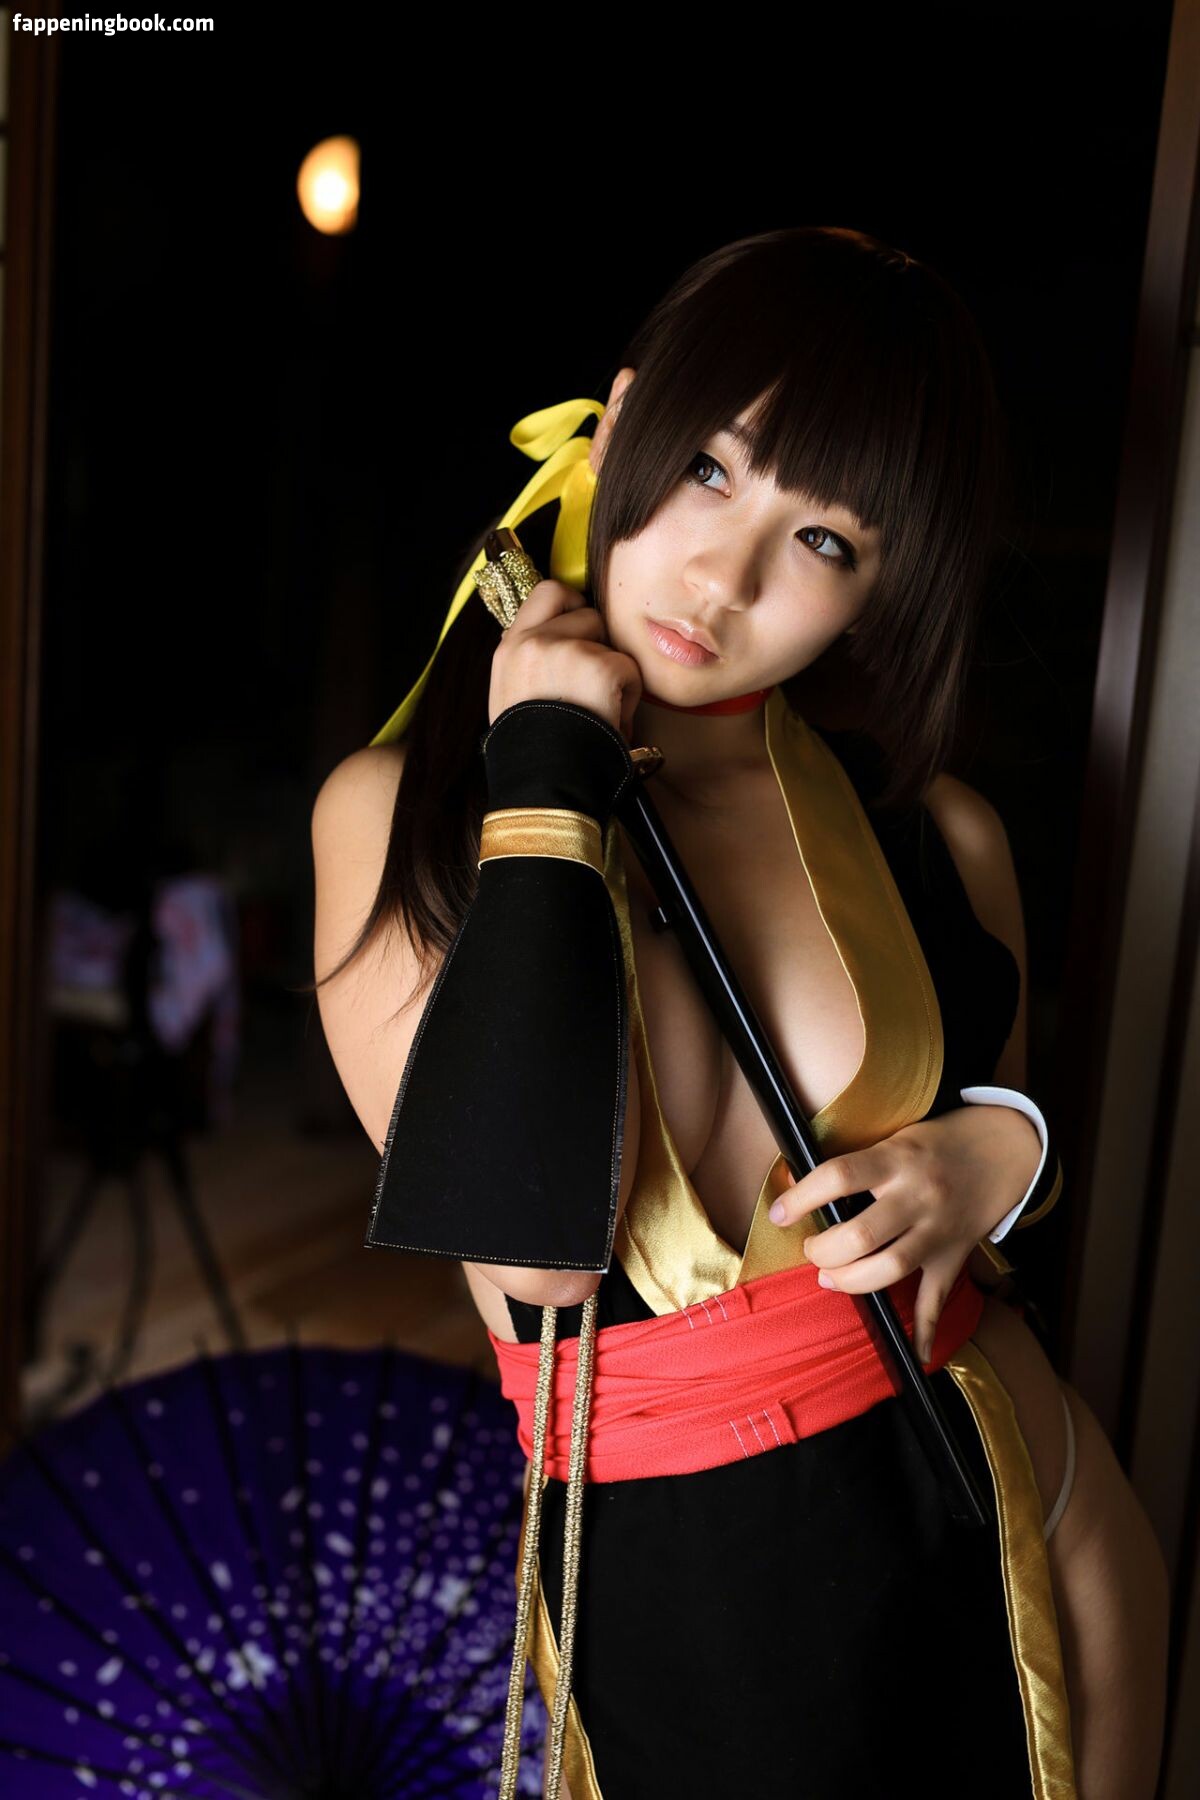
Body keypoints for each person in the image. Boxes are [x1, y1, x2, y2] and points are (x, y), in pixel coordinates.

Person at [310, 227, 1169, 1799]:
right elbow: (536, 1257)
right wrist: (547, 779)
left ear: (882, 588)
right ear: (623, 417)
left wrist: (1001, 1157)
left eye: (823, 539)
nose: (725, 577)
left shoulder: (937, 837)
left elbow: (993, 1223)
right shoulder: (396, 820)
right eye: (708, 468)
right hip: (689, 1620)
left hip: (1028, 1538)